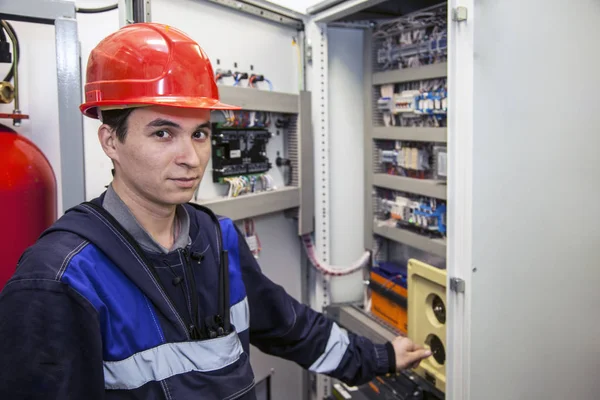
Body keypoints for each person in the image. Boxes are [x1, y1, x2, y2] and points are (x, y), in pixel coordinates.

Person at [0, 23, 431, 399]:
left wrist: (377, 356)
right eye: (163, 132)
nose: (191, 157)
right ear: (111, 141)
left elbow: (286, 324)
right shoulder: (60, 277)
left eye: (201, 133)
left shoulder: (216, 236)